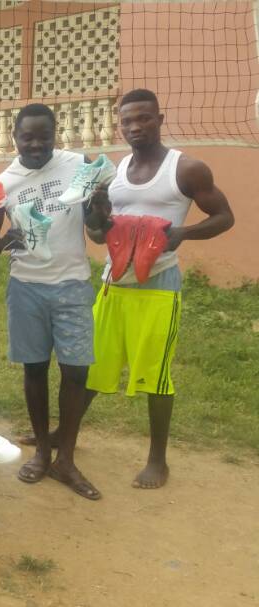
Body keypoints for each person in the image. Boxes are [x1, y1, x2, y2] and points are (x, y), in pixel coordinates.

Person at [84, 89, 234, 490]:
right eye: (127, 121)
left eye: (144, 118)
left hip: (159, 286)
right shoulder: (115, 171)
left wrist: (181, 233)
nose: (135, 127)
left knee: (154, 375)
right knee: (92, 365)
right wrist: (96, 220)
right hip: (113, 284)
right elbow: (101, 236)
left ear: (160, 118)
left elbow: (224, 217)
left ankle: (157, 460)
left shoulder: (186, 169)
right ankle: (63, 434)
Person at [0, 103, 101, 499]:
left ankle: (66, 457)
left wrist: (100, 210)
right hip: (26, 285)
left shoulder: (80, 166)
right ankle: (43, 453)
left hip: (73, 284)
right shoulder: (3, 183)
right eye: (27, 137)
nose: (35, 144)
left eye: (43, 136)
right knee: (34, 369)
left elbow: (97, 230)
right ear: (14, 137)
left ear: (55, 134)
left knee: (76, 373)